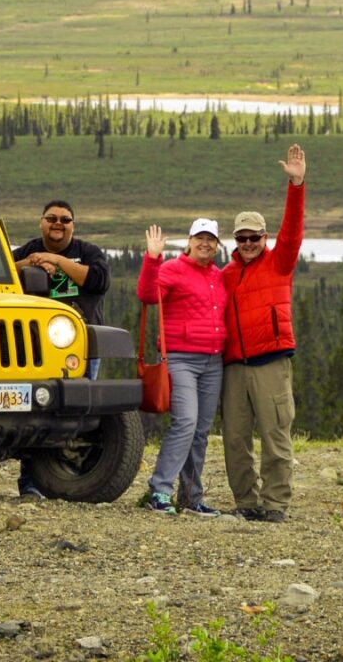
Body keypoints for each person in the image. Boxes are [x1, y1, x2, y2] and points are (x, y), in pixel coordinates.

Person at [220, 143, 307, 522]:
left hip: (271, 361)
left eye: (255, 237)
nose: (249, 244)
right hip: (234, 367)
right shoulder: (223, 275)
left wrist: (297, 185)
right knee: (235, 440)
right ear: (234, 240)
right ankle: (246, 502)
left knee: (275, 436)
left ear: (265, 237)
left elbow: (293, 231)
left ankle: (274, 504)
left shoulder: (280, 263)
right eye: (242, 238)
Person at [13, 199, 111, 499]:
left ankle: (76, 480)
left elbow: (98, 280)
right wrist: (30, 263)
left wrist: (58, 263)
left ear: (73, 225)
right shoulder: (25, 252)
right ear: (41, 222)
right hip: (33, 349)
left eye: (65, 220)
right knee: (36, 413)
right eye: (51, 218)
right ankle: (31, 483)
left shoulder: (88, 253)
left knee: (79, 415)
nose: (58, 224)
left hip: (81, 348)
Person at [135, 216, 227, 515]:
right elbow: (147, 295)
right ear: (189, 241)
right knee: (185, 422)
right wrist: (152, 258)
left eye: (210, 239)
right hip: (180, 358)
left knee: (200, 430)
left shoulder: (217, 275)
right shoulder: (171, 269)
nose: (205, 243)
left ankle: (191, 497)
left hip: (213, 361)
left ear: (216, 245)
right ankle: (160, 491)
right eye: (199, 238)